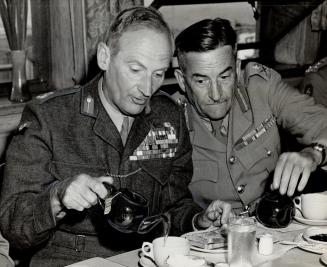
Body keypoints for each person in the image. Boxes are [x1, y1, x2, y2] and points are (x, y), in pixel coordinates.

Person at [0, 8, 231, 267]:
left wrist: (197, 220)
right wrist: (57, 197)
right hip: (70, 259)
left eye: (158, 74)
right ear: (104, 57)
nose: (147, 89)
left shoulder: (169, 117)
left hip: (146, 256)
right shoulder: (50, 117)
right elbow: (14, 225)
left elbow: (172, 206)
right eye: (135, 70)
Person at [173, 18, 327, 214]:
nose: (216, 94)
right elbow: (168, 208)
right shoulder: (171, 119)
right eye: (202, 81)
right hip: (210, 240)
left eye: (224, 77)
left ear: (237, 68)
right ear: (181, 79)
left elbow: (322, 123)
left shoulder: (261, 87)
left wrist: (314, 153)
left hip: (273, 229)